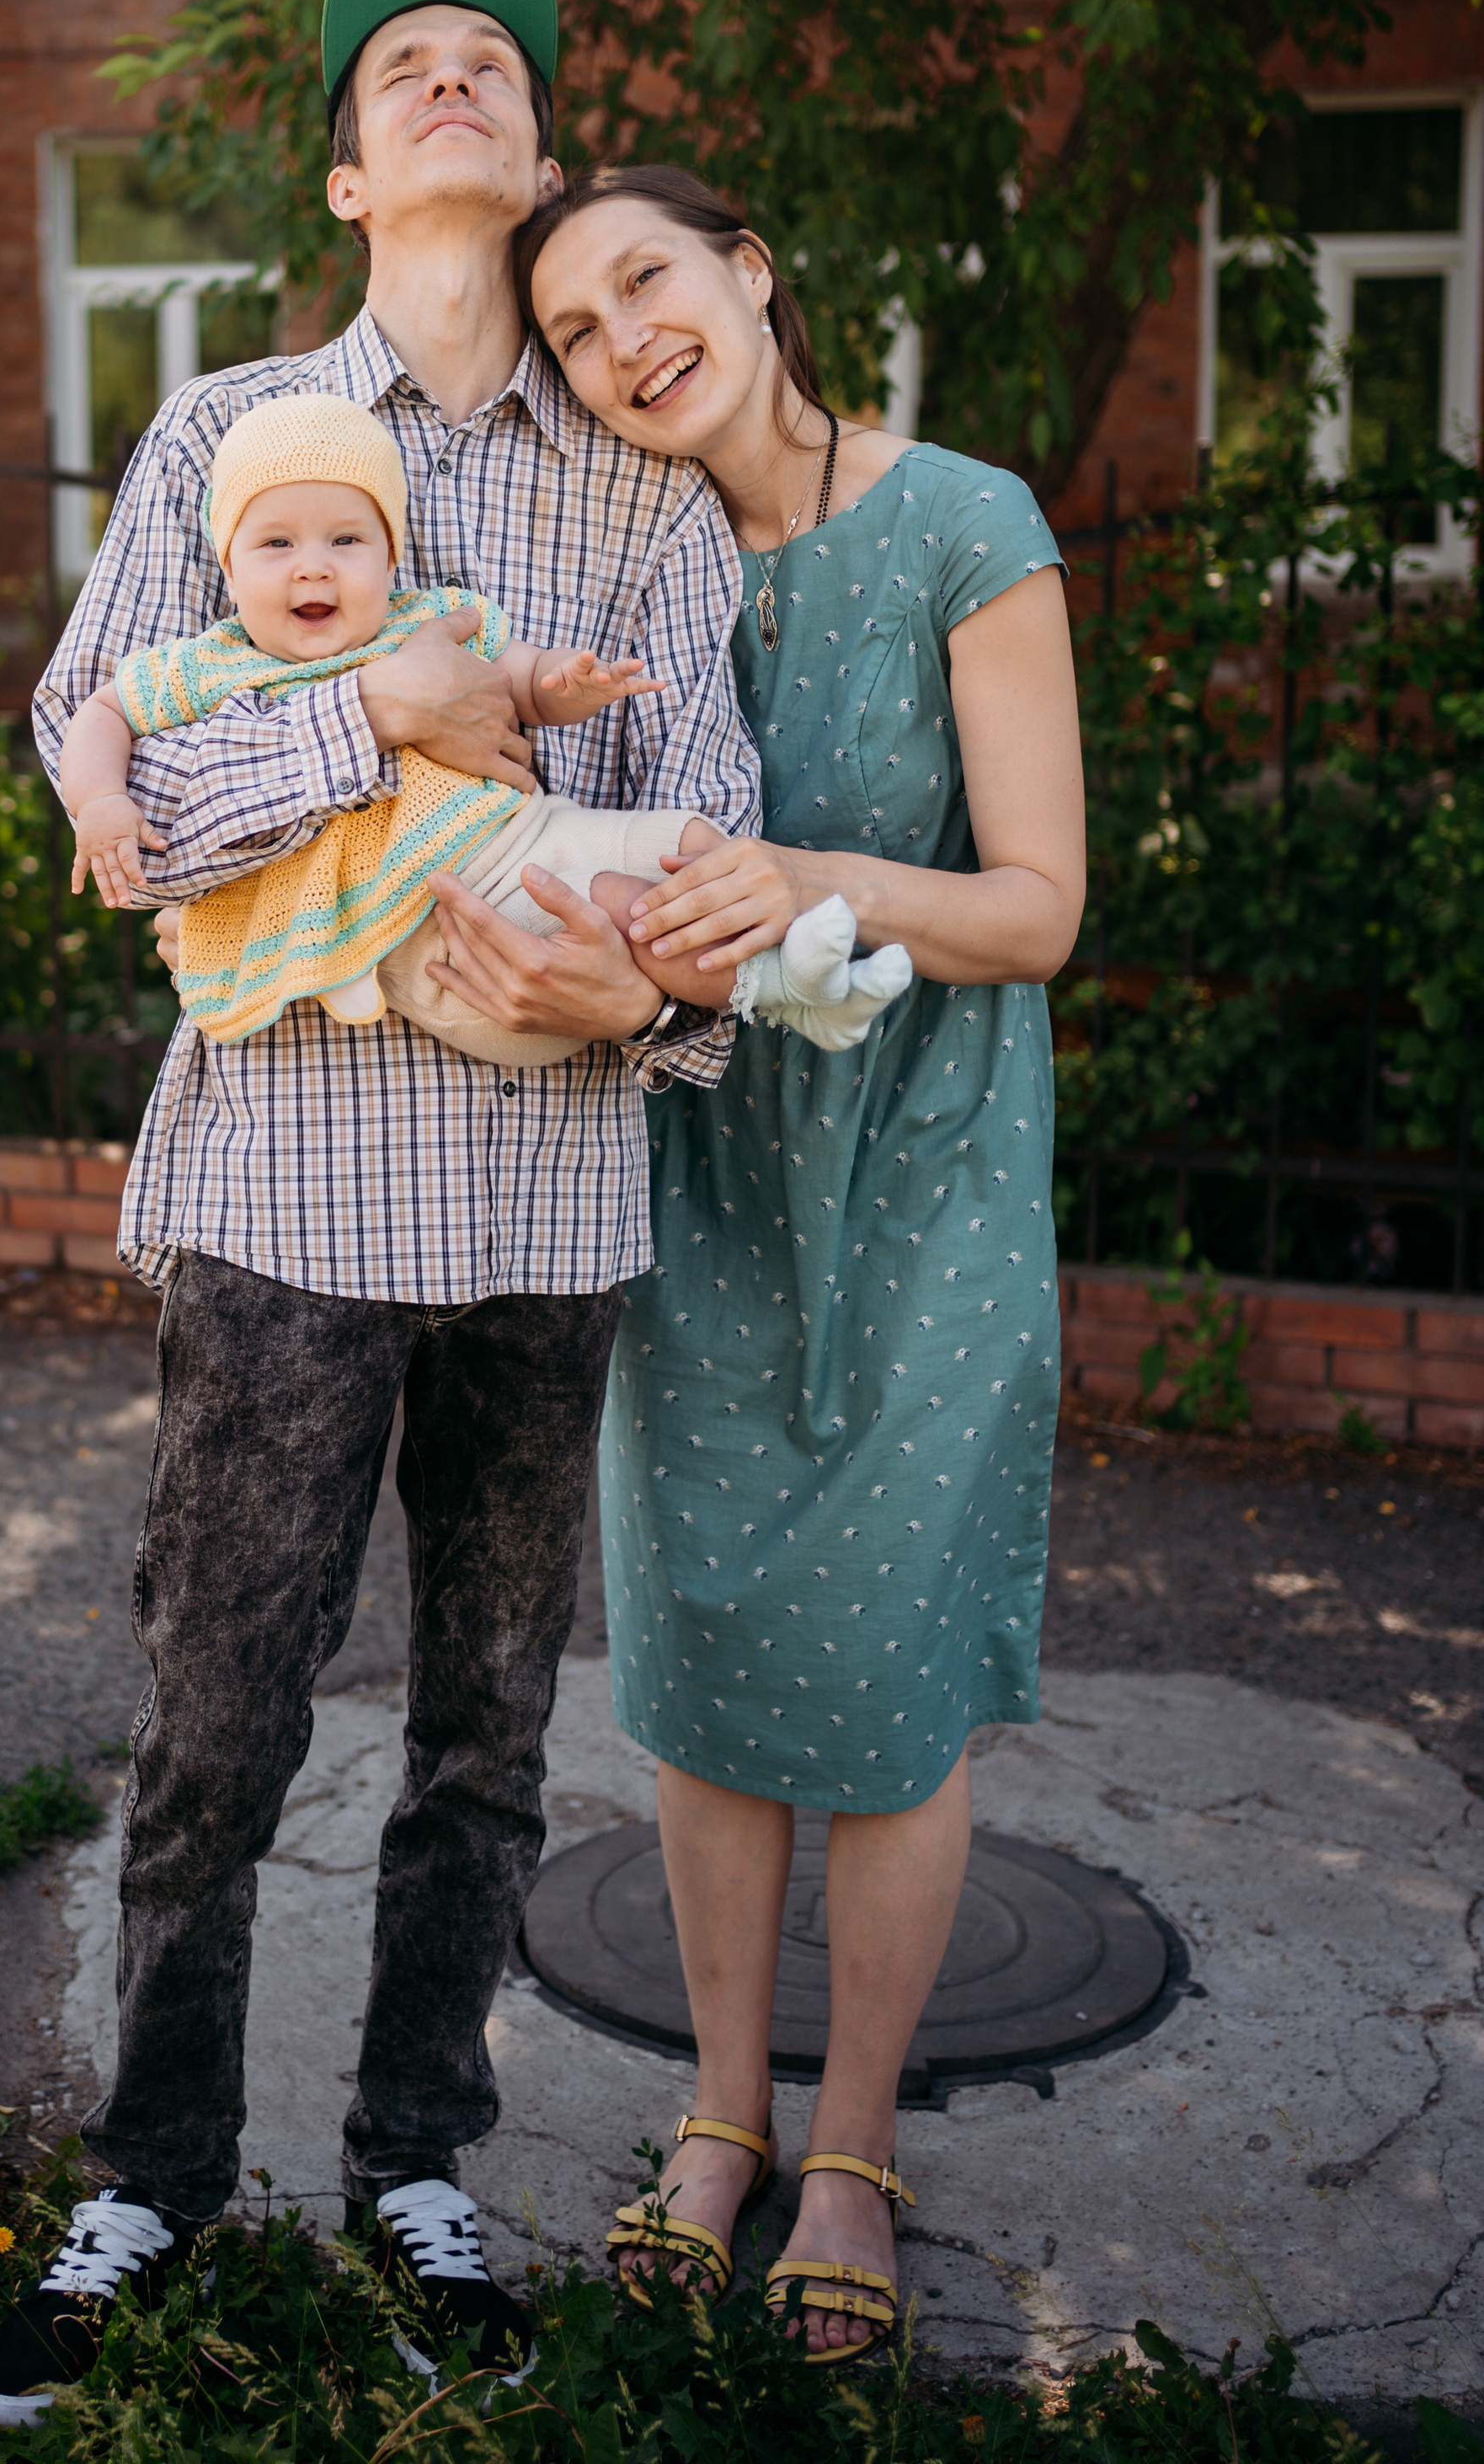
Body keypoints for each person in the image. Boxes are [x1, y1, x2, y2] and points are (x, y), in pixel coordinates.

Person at [0, 0, 762, 2429]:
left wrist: (651, 983)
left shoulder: (633, 481)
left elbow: (719, 824)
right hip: (287, 1200)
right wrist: (377, 722)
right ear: (343, 157)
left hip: (545, 1206)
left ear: (531, 159)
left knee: (493, 1726)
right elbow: (113, 787)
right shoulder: (219, 438)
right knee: (219, 1704)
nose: (449, 79)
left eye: (491, 61)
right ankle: (153, 2171)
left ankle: (415, 2153)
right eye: (401, 61)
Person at [514, 163, 1085, 2365]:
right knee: (708, 1667)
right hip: (700, 1182)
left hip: (926, 1194)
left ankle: (855, 2139)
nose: (622, 339)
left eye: (644, 279)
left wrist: (800, 878)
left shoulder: (963, 518)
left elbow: (1035, 912)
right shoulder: (620, 574)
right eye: (573, 329)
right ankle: (723, 2112)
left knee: (898, 1692)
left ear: (753, 271)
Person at [59, 388, 910, 1061]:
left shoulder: (423, 623)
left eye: (346, 540)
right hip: (444, 925)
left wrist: (563, 683)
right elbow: (99, 712)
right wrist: (100, 802)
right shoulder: (211, 665)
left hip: (530, 836)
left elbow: (516, 679)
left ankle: (796, 989)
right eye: (275, 545)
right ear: (229, 566)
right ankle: (776, 990)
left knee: (688, 853)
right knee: (626, 908)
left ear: (389, 558)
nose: (313, 564)